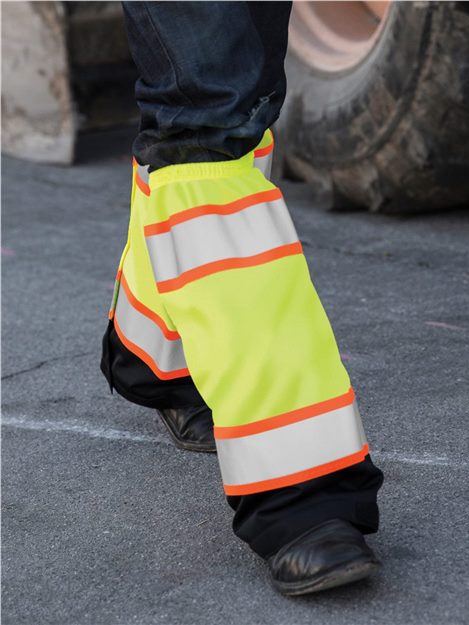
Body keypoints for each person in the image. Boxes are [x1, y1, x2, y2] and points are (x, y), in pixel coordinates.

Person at [101, 1, 384, 596]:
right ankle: (300, 487)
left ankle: (153, 350)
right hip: (302, 494)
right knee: (206, 109)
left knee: (244, 98)